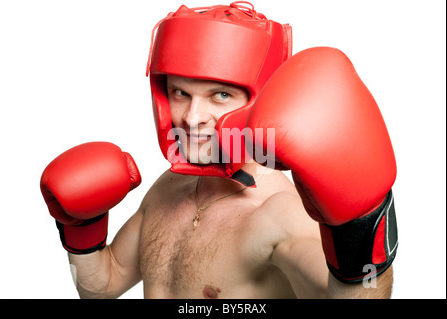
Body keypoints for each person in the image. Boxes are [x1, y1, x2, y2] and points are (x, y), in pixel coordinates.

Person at [40, 2, 398, 299]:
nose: (193, 118)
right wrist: (81, 232)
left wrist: (360, 227)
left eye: (220, 95)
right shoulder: (167, 189)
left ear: (259, 100)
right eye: (180, 93)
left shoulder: (279, 215)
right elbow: (101, 287)